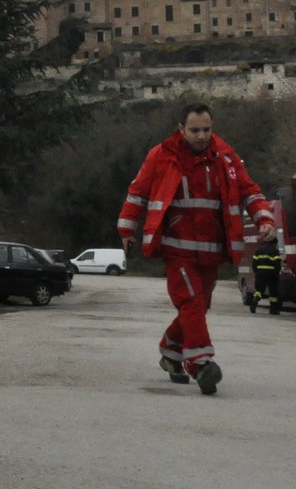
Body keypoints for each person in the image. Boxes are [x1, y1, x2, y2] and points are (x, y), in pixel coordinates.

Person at [117, 102, 275, 395]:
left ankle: (170, 351)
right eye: (194, 130)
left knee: (199, 307)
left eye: (206, 129)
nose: (201, 136)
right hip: (176, 248)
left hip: (211, 249)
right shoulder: (162, 156)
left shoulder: (226, 157)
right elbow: (137, 192)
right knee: (190, 302)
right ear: (181, 129)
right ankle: (201, 364)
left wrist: (264, 218)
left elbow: (249, 191)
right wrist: (127, 229)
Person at [245, 235, 283, 315]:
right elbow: (277, 264)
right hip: (272, 273)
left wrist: (257, 272)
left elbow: (254, 264)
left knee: (259, 290)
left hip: (260, 273)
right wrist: (276, 273)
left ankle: (255, 301)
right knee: (273, 292)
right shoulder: (275, 251)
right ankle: (273, 310)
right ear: (274, 243)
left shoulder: (258, 250)